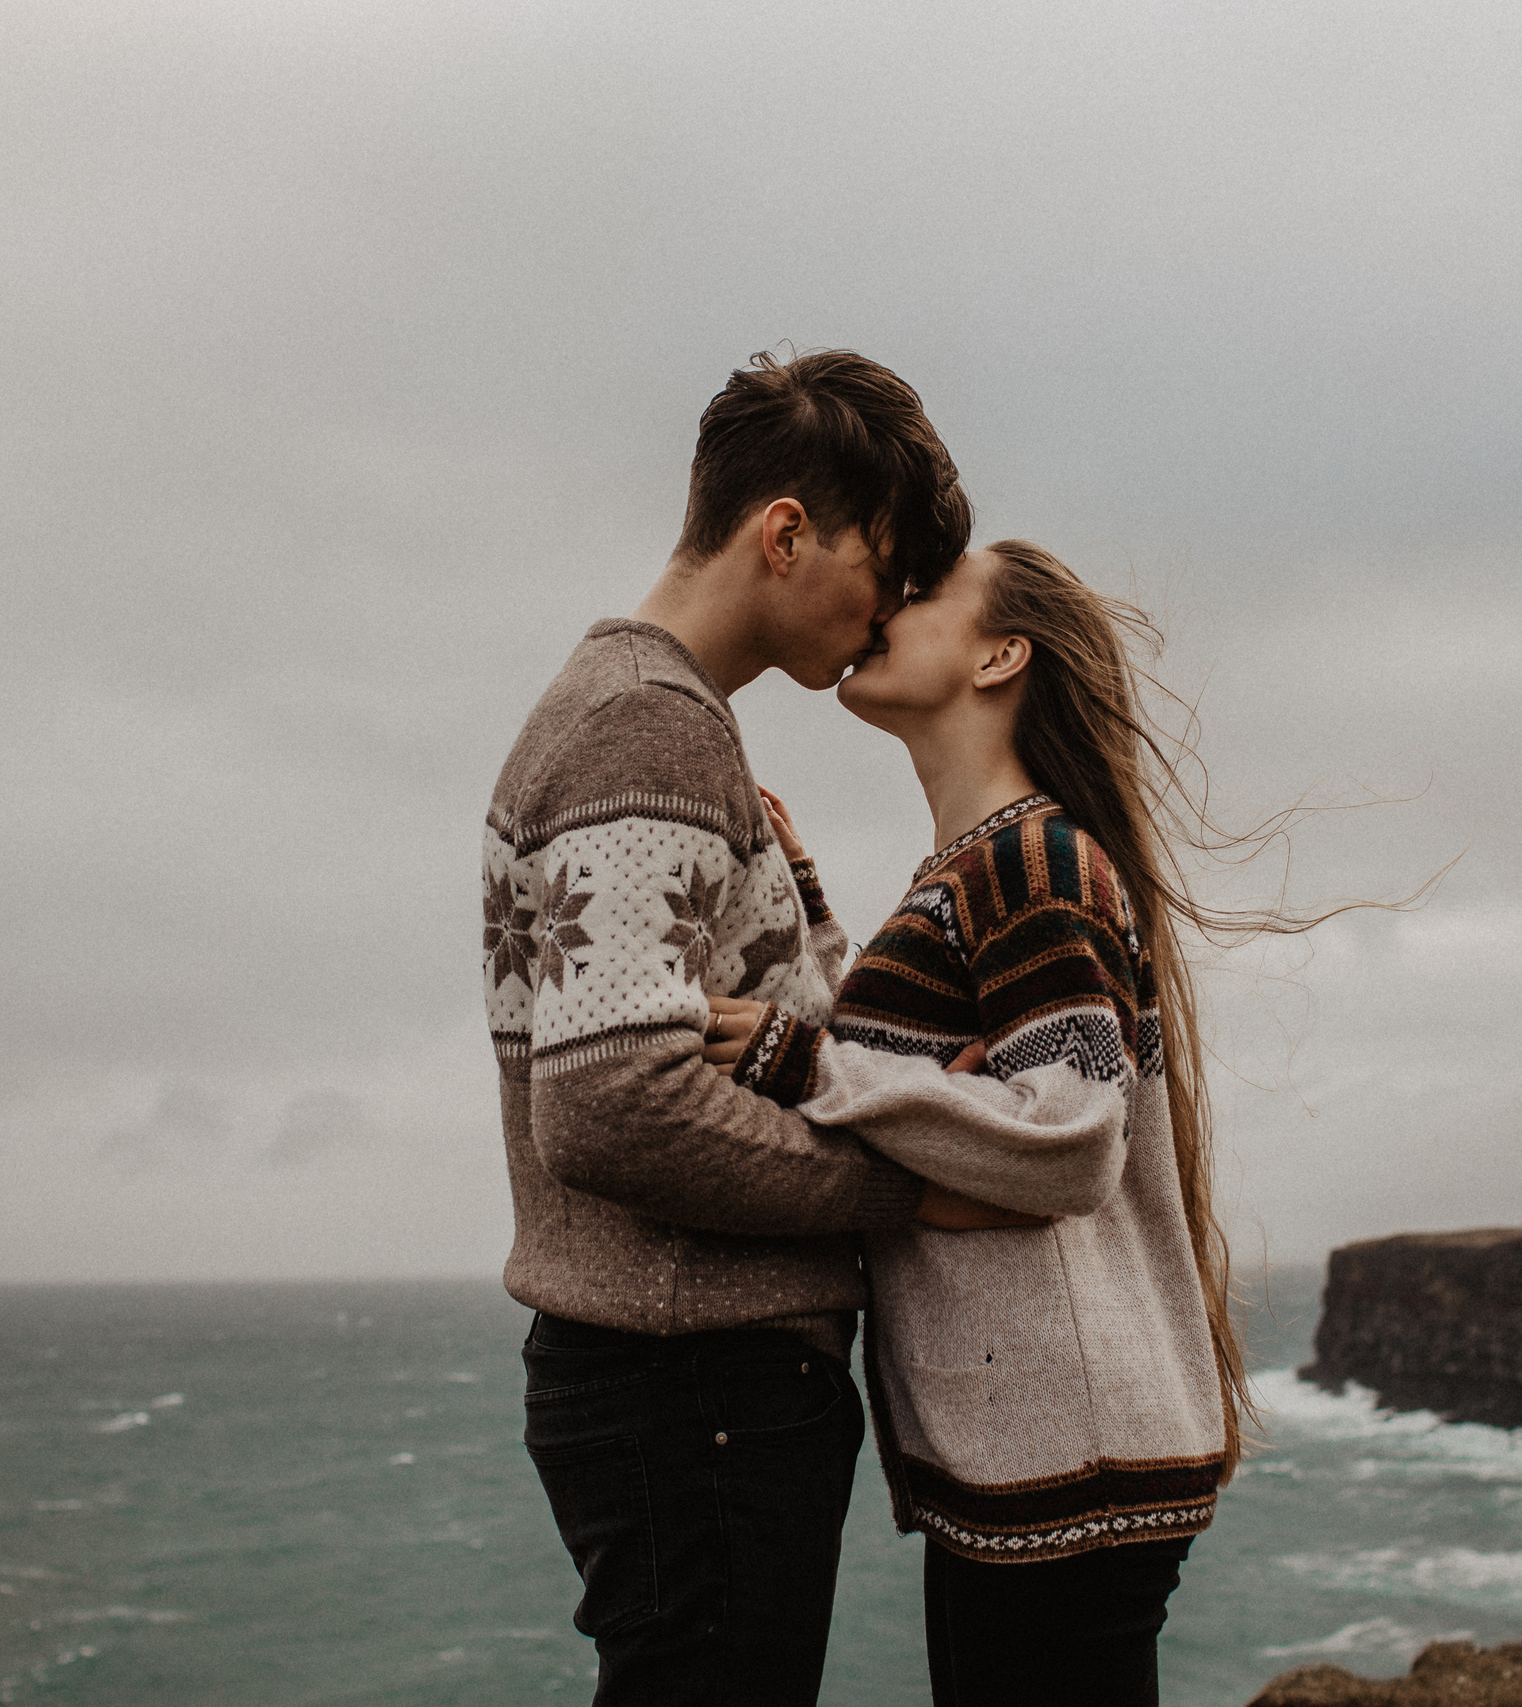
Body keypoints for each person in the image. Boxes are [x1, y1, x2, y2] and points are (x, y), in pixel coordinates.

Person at [481, 348, 1031, 1706]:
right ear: (784, 532)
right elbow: (616, 1100)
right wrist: (899, 1185)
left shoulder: (651, 721)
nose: (890, 611)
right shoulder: (647, 729)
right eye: (886, 569)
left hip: (689, 1377)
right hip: (691, 1375)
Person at [707, 539, 1293, 1706]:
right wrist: (814, 920)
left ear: (999, 654)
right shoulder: (979, 866)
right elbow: (915, 1081)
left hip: (1069, 1459)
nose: (884, 605)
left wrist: (802, 1061)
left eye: (923, 594)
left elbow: (1070, 1137)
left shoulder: (1037, 860)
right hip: (1041, 1453)